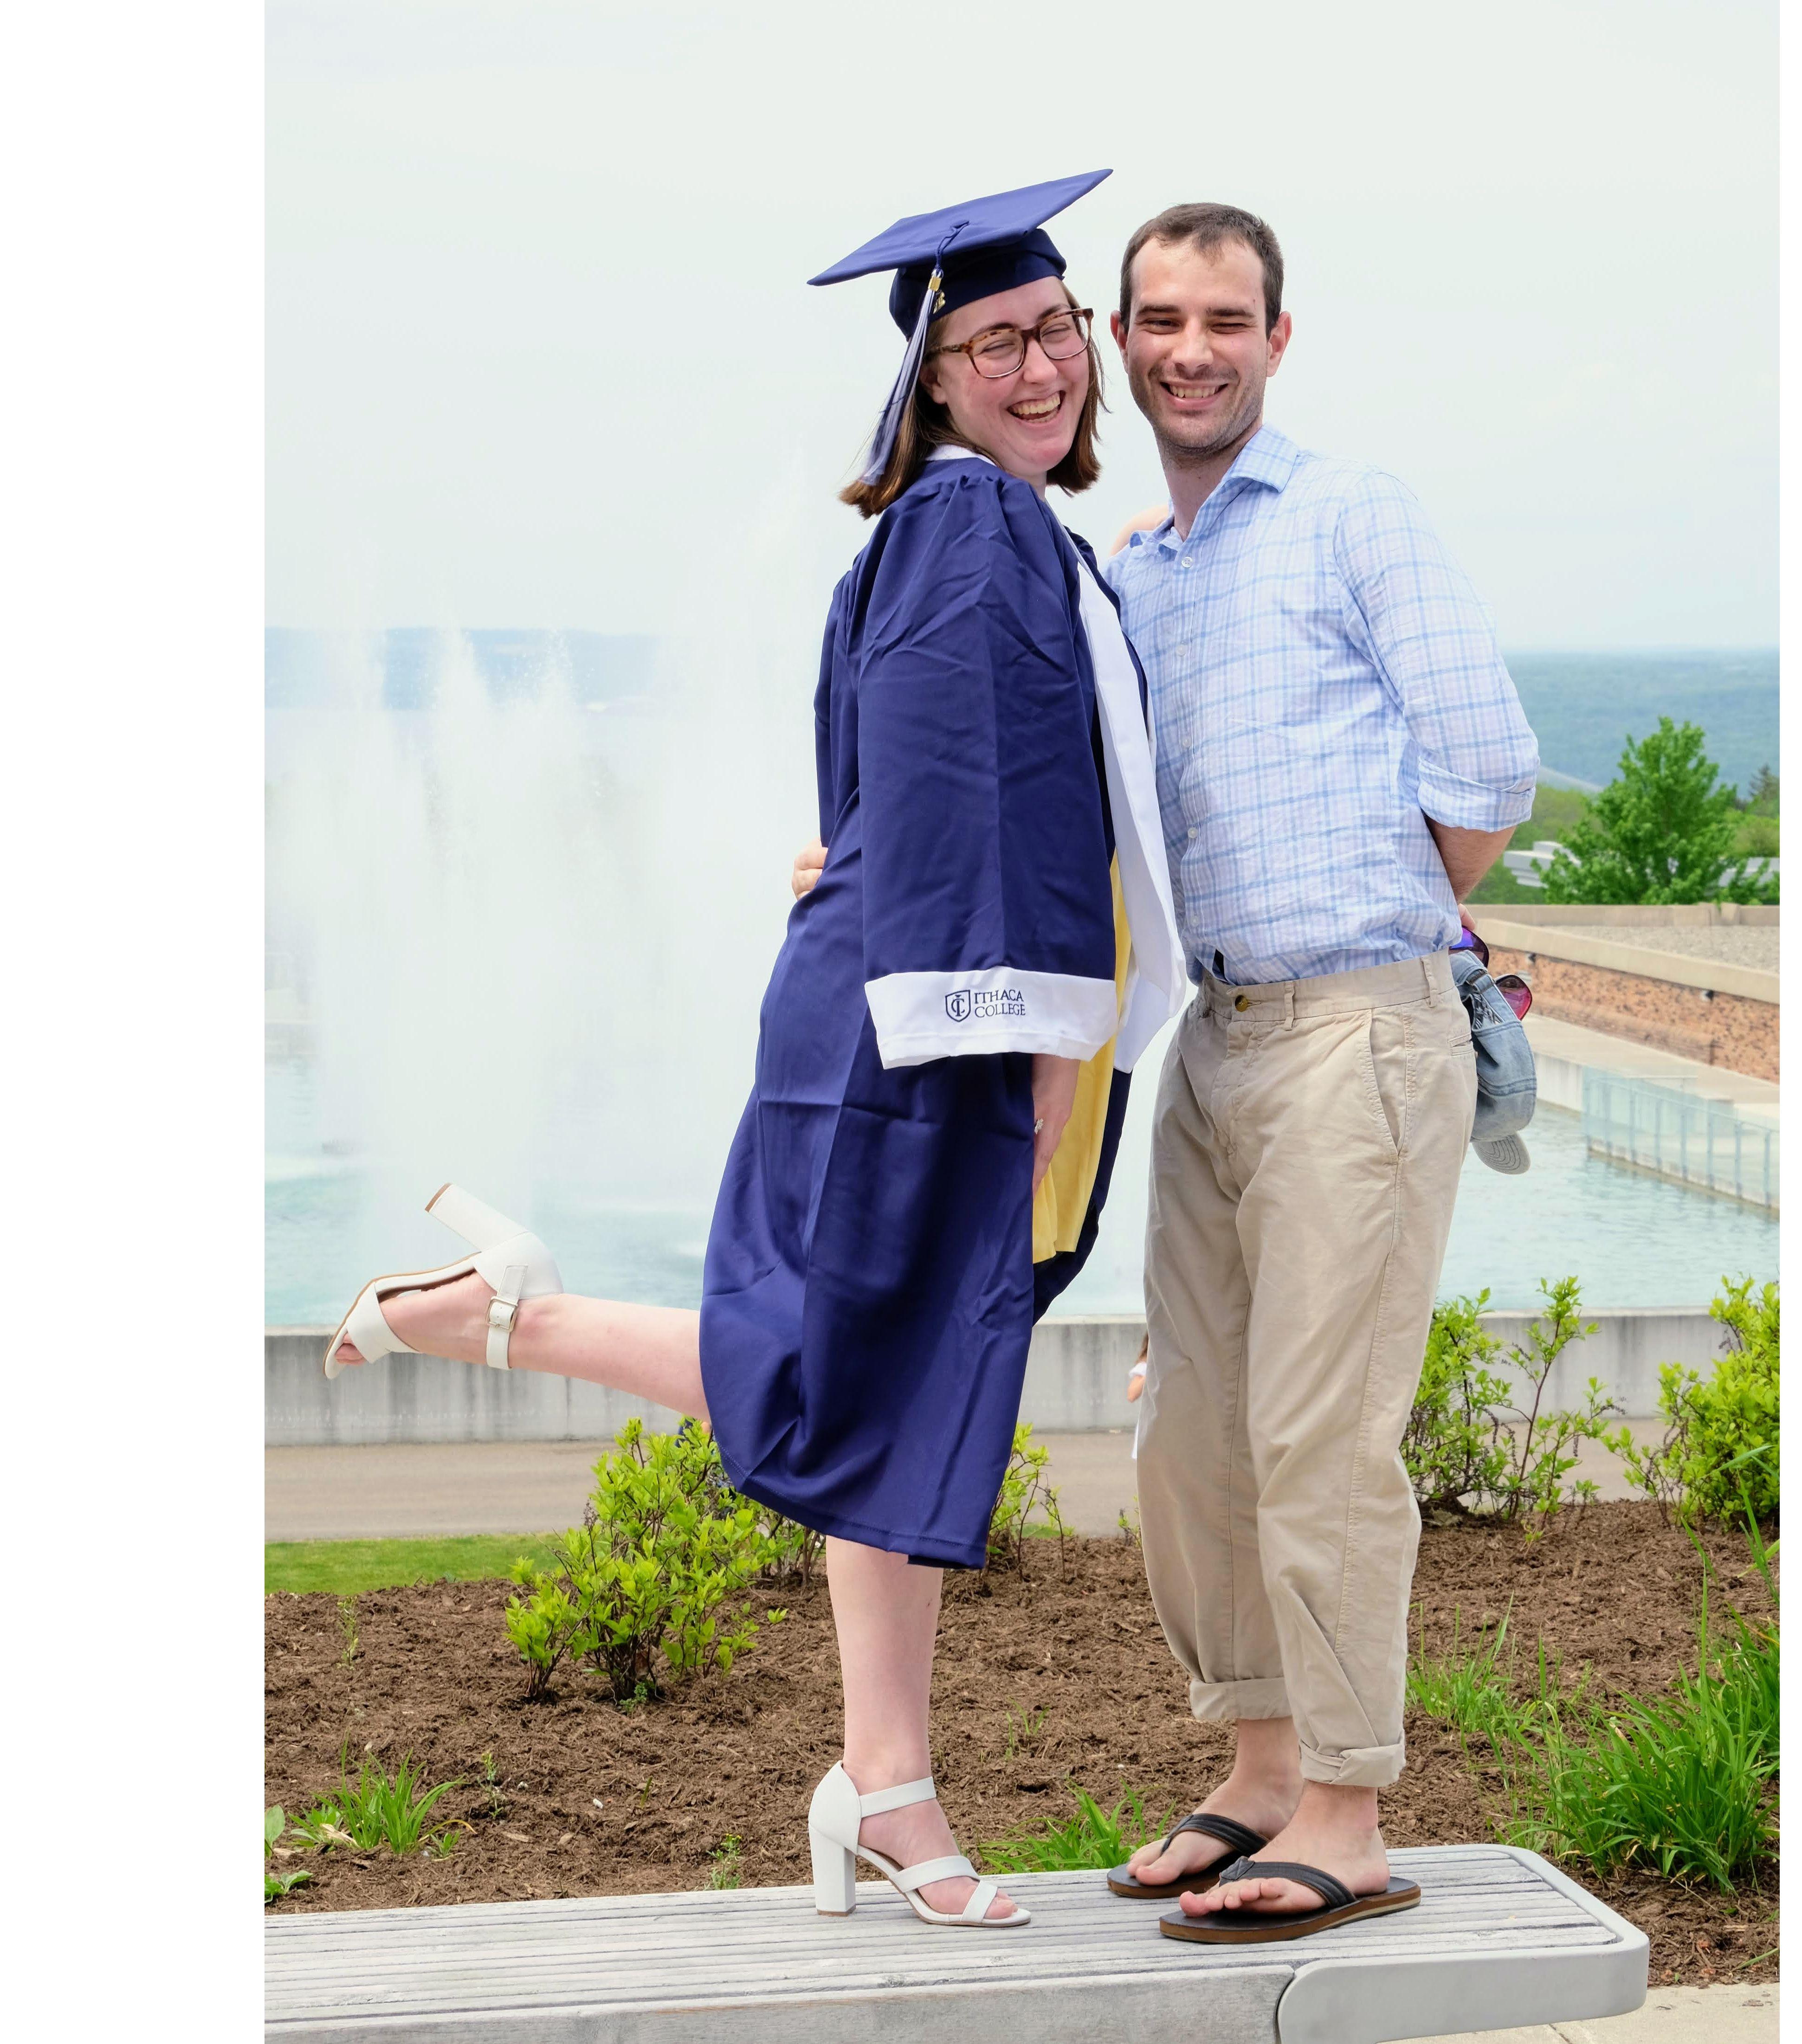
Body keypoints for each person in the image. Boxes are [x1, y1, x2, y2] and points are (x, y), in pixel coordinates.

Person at [323, 170, 1179, 1935]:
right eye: (995, 343)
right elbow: (968, 794)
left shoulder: (976, 530)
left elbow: (916, 784)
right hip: (948, 1024)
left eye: (1053, 331)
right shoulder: (973, 531)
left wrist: (866, 884)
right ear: (932, 378)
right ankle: (512, 1313)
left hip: (911, 998)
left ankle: (887, 1778)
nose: (1040, 369)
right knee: (861, 1371)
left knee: (890, 1381)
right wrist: (1022, 1044)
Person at [800, 200, 1540, 1945]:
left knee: (1318, 1434)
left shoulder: (1355, 517)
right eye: (1156, 319)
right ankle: (1262, 1766)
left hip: (1357, 1023)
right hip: (1214, 1041)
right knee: (1195, 1447)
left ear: (1279, 339)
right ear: (1123, 348)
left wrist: (1375, 919)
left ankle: (1349, 1811)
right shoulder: (1130, 569)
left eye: (1225, 317)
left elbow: (1487, 768)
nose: (1187, 347)